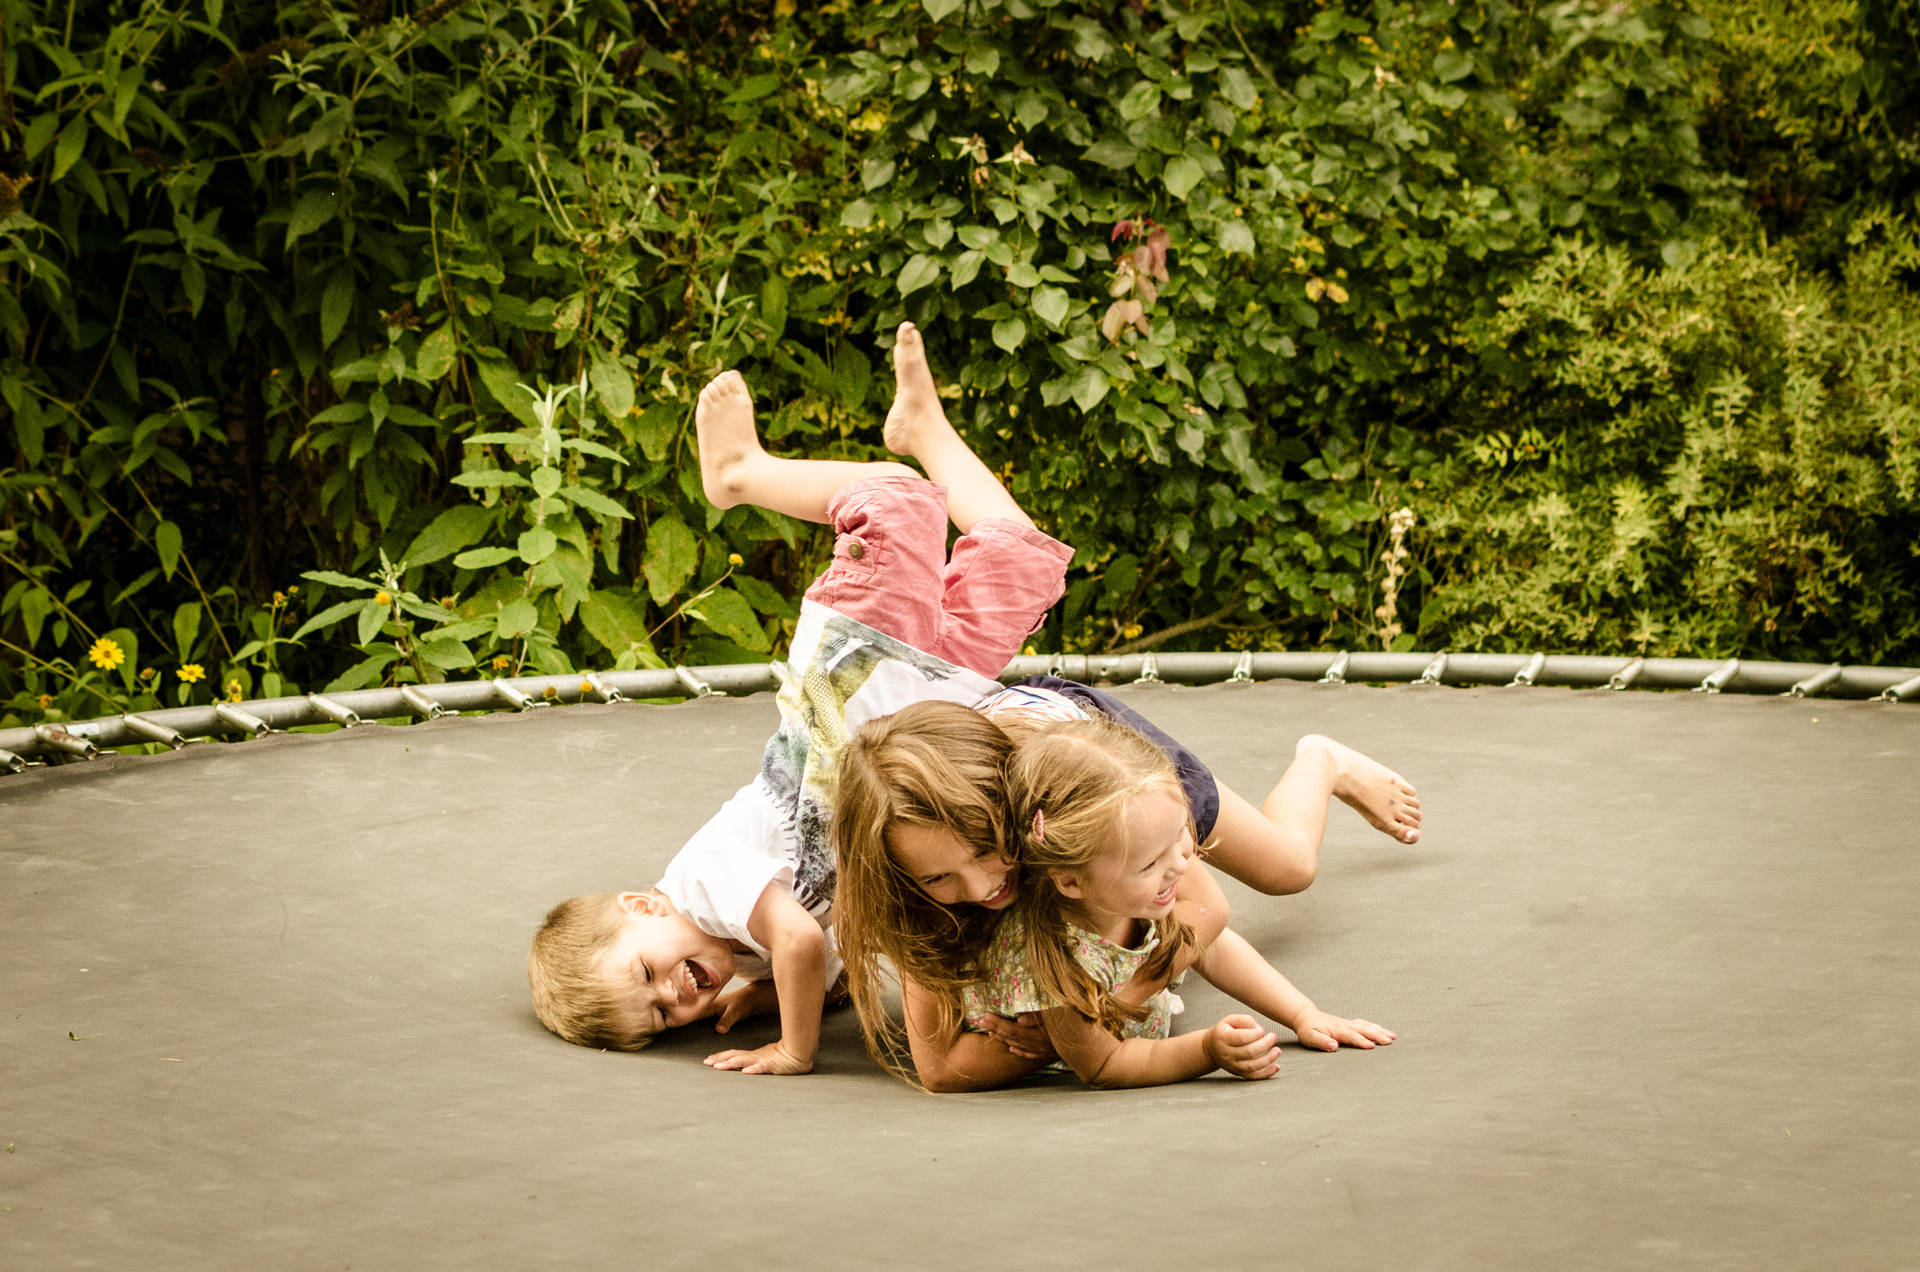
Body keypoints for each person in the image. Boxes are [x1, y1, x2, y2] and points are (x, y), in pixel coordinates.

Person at [528, 322, 1075, 1073]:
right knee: (1020, 560)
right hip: (926, 708)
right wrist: (777, 992)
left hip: (856, 673)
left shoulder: (703, 881)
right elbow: (836, 953)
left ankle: (739, 472)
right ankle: (925, 426)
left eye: (647, 974)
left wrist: (793, 1043)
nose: (677, 997)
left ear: (642, 908)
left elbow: (804, 939)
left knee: (898, 500)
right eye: (662, 1019)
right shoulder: (739, 951)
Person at [833, 692, 1421, 1091]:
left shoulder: (1087, 802)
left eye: (988, 850)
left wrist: (1104, 1009)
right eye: (939, 878)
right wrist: (1058, 1039)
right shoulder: (903, 872)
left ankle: (1322, 761)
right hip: (998, 770)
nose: (985, 886)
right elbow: (940, 1070)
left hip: (1085, 746)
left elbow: (1207, 911)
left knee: (1288, 867)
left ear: (1015, 821)